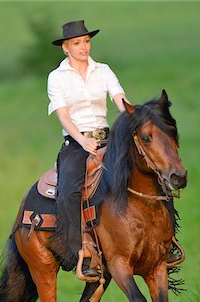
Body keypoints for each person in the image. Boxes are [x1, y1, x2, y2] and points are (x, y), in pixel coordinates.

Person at [47, 20, 130, 277]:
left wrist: (135, 116)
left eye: (86, 41)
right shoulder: (56, 77)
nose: (83, 47)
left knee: (147, 169)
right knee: (69, 190)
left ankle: (165, 240)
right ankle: (77, 253)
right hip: (77, 142)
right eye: (76, 43)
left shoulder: (103, 70)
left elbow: (119, 98)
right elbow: (63, 116)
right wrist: (83, 142)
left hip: (108, 139)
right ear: (65, 47)